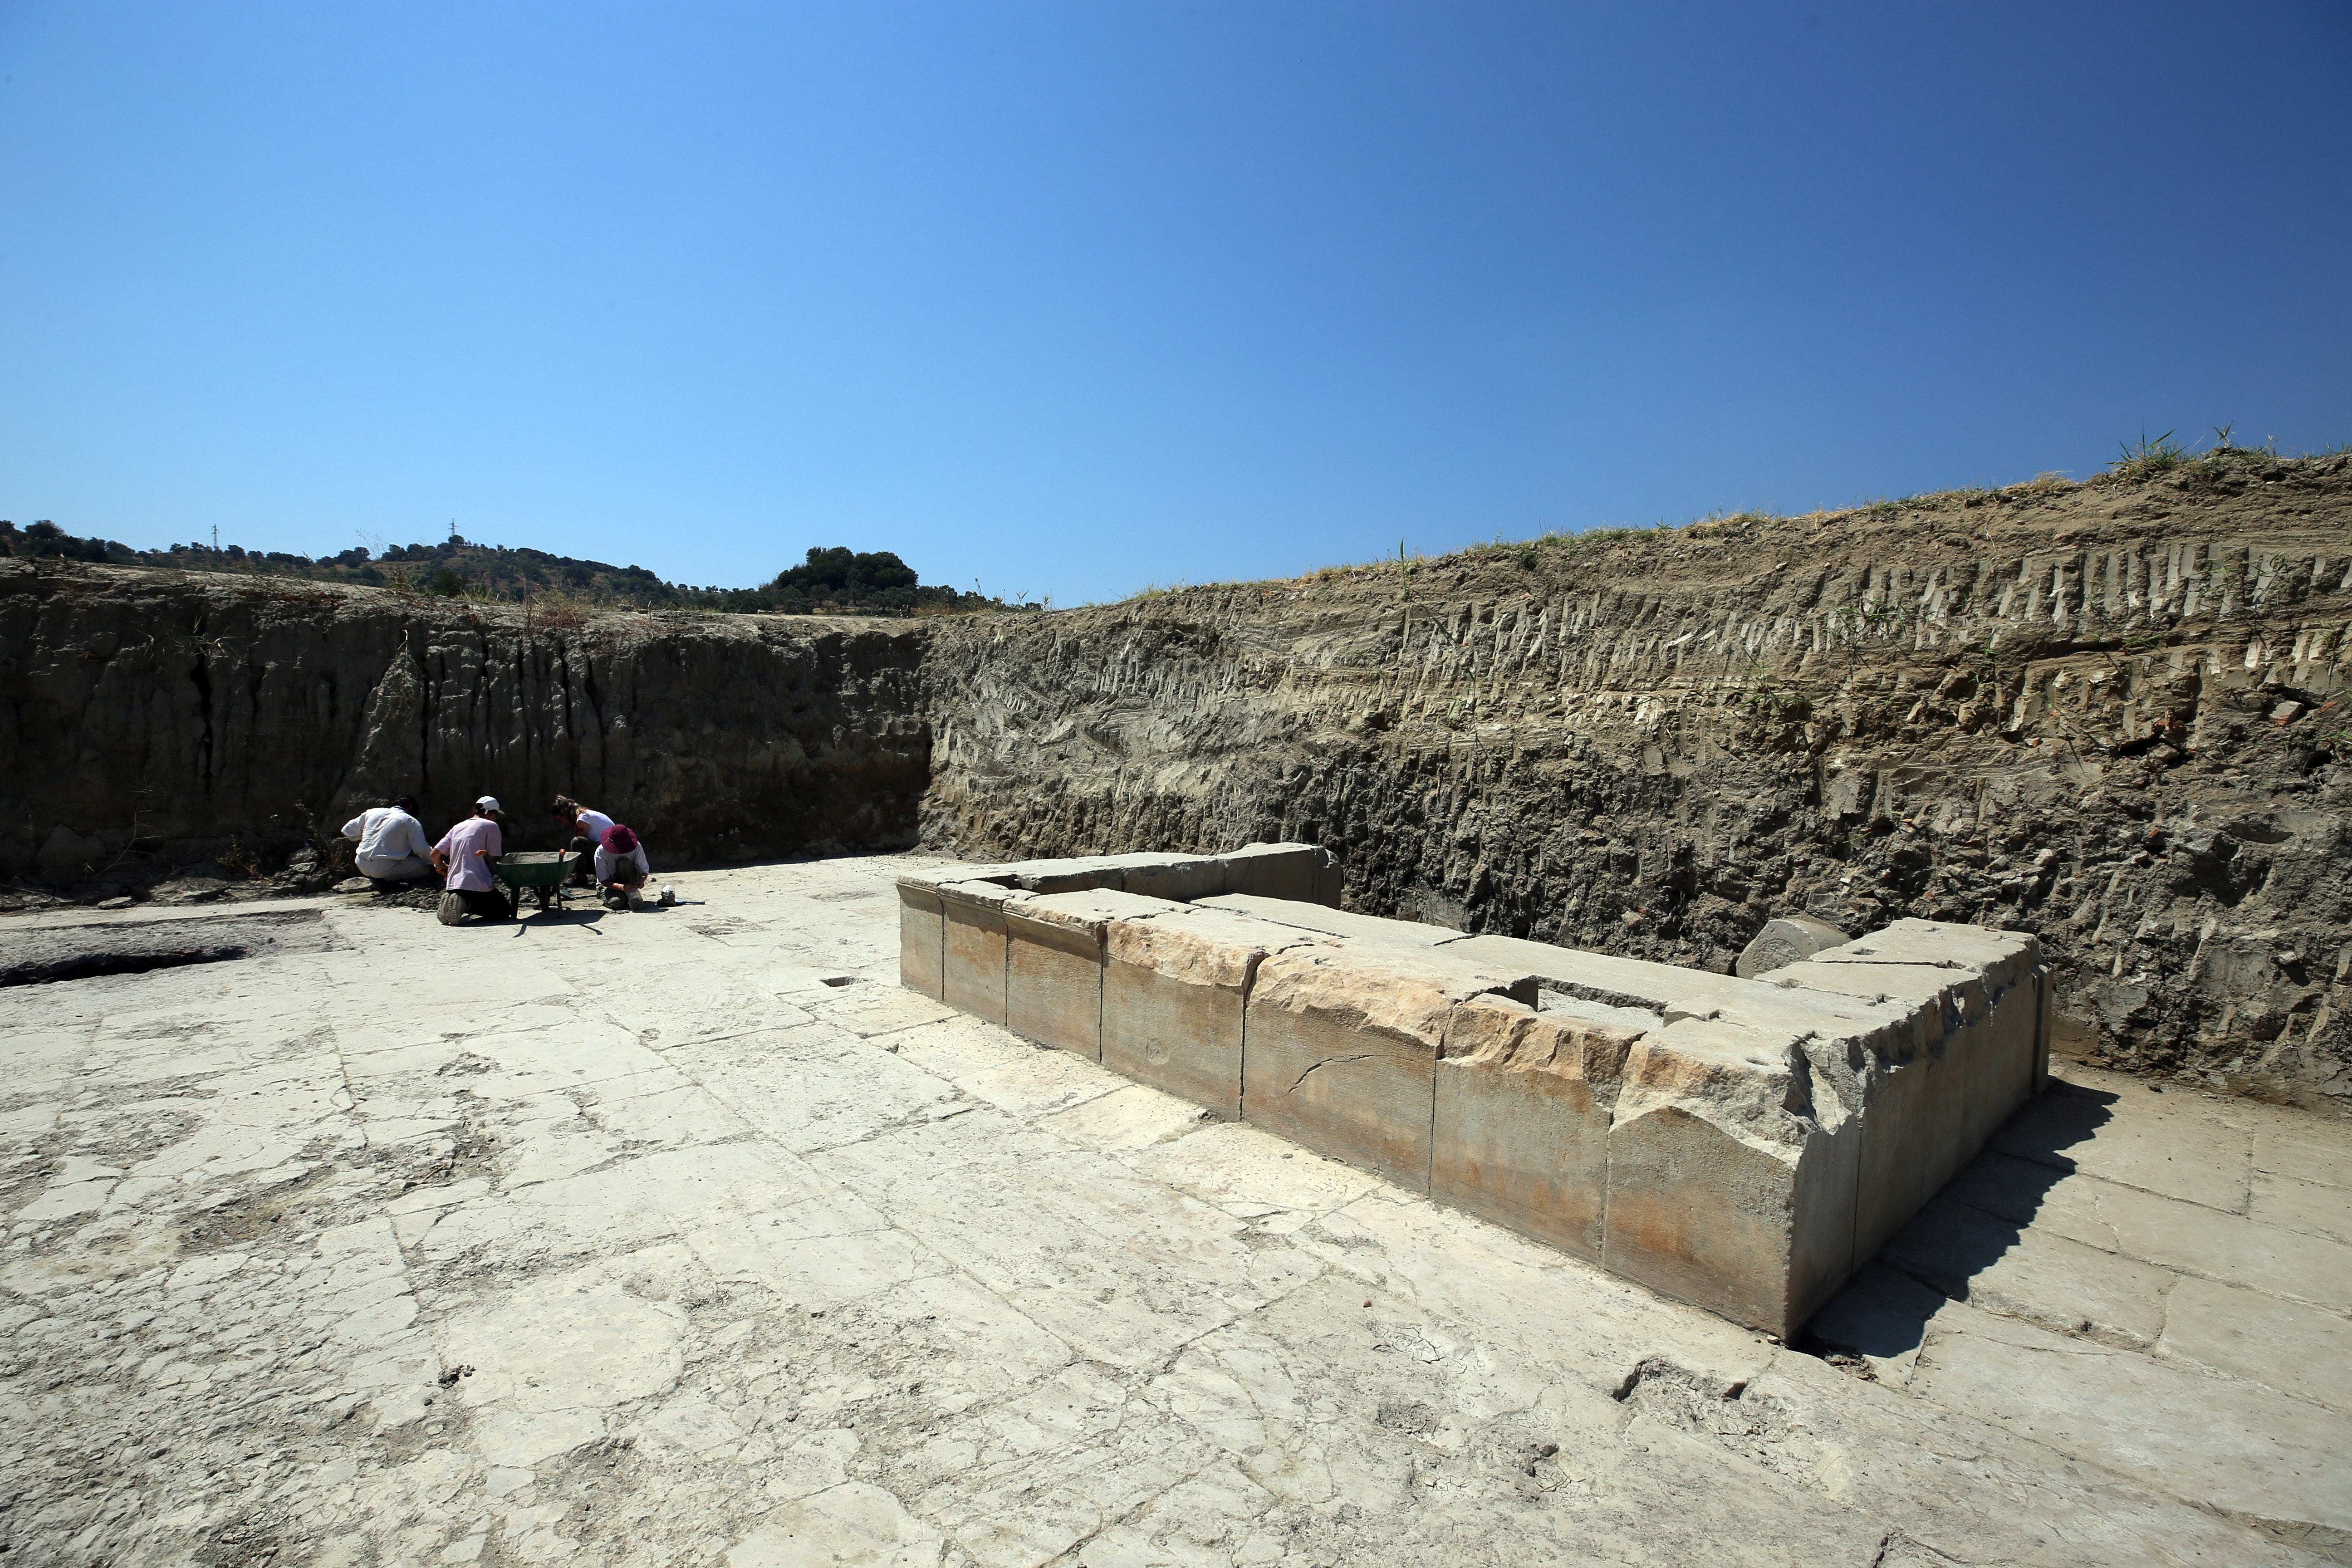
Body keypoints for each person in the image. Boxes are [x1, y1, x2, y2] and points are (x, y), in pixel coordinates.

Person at [431, 797, 514, 924]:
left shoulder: (457, 827)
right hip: (477, 884)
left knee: (488, 898)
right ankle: (467, 903)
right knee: (504, 911)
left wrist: (441, 867)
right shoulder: (491, 826)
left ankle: (456, 899)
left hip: (453, 885)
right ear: (491, 813)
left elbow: (434, 855)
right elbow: (493, 858)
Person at [341, 795, 435, 882]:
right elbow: (422, 850)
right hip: (385, 868)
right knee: (423, 867)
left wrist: (367, 836)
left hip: (361, 864)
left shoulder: (372, 812)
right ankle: (389, 880)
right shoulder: (410, 821)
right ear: (410, 807)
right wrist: (436, 862)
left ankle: (379, 878)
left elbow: (347, 830)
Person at [553, 796, 617, 887]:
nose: (562, 823)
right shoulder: (587, 815)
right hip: (612, 857)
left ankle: (581, 879)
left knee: (577, 842)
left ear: (565, 814)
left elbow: (579, 847)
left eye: (560, 819)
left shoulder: (583, 819)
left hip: (611, 858)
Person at [594, 823, 651, 910]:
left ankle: (627, 896)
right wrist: (622, 887)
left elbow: (644, 869)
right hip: (609, 885)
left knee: (624, 863)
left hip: (629, 879)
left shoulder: (637, 847)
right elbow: (603, 881)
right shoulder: (601, 852)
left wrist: (641, 880)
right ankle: (611, 897)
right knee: (617, 903)